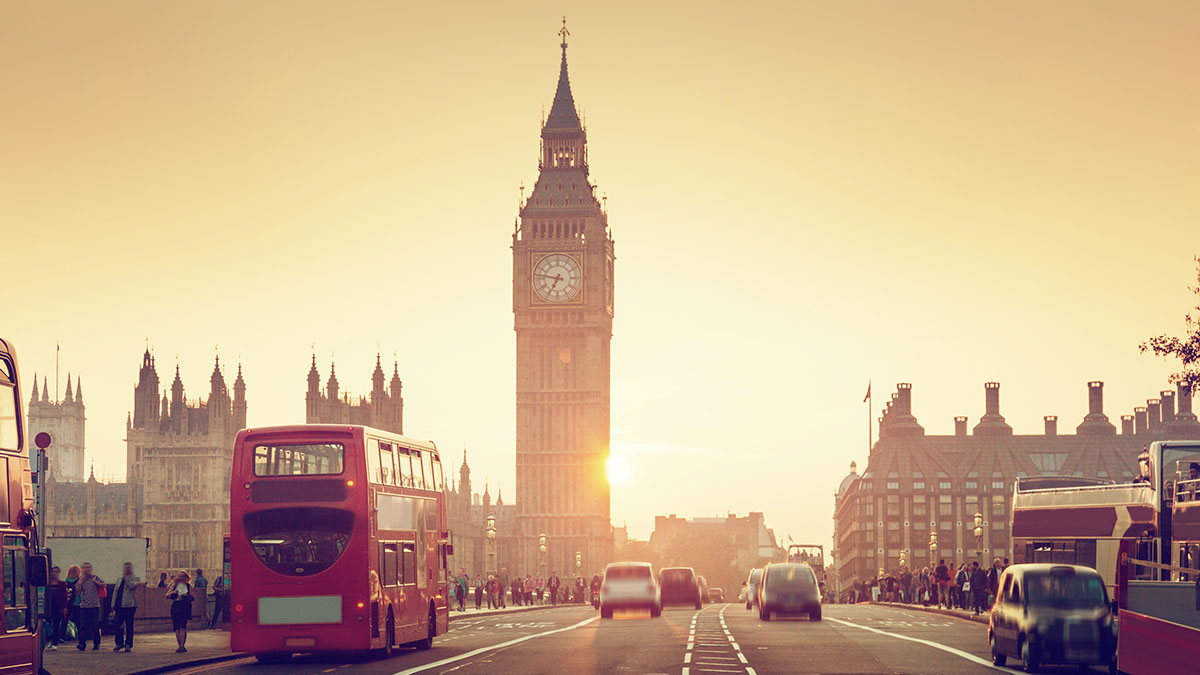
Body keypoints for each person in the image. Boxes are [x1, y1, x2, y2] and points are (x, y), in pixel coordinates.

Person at [111, 561, 143, 652]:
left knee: (129, 625)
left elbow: (131, 586)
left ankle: (128, 644)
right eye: (126, 568)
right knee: (117, 624)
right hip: (119, 605)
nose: (127, 569)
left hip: (129, 605)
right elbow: (115, 591)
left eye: (129, 568)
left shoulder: (135, 578)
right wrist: (112, 604)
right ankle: (119, 643)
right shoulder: (119, 579)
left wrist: (127, 578)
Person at [75, 562, 104, 651]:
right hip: (84, 606)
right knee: (83, 625)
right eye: (84, 568)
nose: (86, 569)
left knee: (95, 625)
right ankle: (82, 643)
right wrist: (80, 583)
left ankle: (96, 643)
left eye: (88, 568)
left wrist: (96, 582)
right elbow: (78, 593)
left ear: (91, 569)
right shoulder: (80, 579)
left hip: (94, 605)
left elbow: (103, 585)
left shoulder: (95, 577)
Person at [166, 570, 194, 653]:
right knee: (177, 628)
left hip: (184, 606)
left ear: (186, 578)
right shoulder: (174, 585)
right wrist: (173, 592)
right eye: (179, 576)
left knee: (183, 626)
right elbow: (167, 595)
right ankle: (179, 645)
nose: (181, 578)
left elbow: (193, 597)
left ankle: (182, 645)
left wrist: (186, 596)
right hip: (176, 606)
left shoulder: (188, 586)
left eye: (183, 576)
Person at [45, 566, 69, 650]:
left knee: (56, 625)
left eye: (56, 572)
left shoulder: (62, 584)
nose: (54, 573)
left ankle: (55, 642)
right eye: (53, 571)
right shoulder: (46, 583)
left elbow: (64, 596)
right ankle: (49, 639)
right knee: (47, 624)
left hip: (57, 606)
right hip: (48, 606)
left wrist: (65, 607)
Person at [65, 564, 82, 639]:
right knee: (78, 621)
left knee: (65, 620)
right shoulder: (79, 581)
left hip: (68, 602)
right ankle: (80, 636)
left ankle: (62, 636)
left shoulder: (66, 581)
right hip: (77, 602)